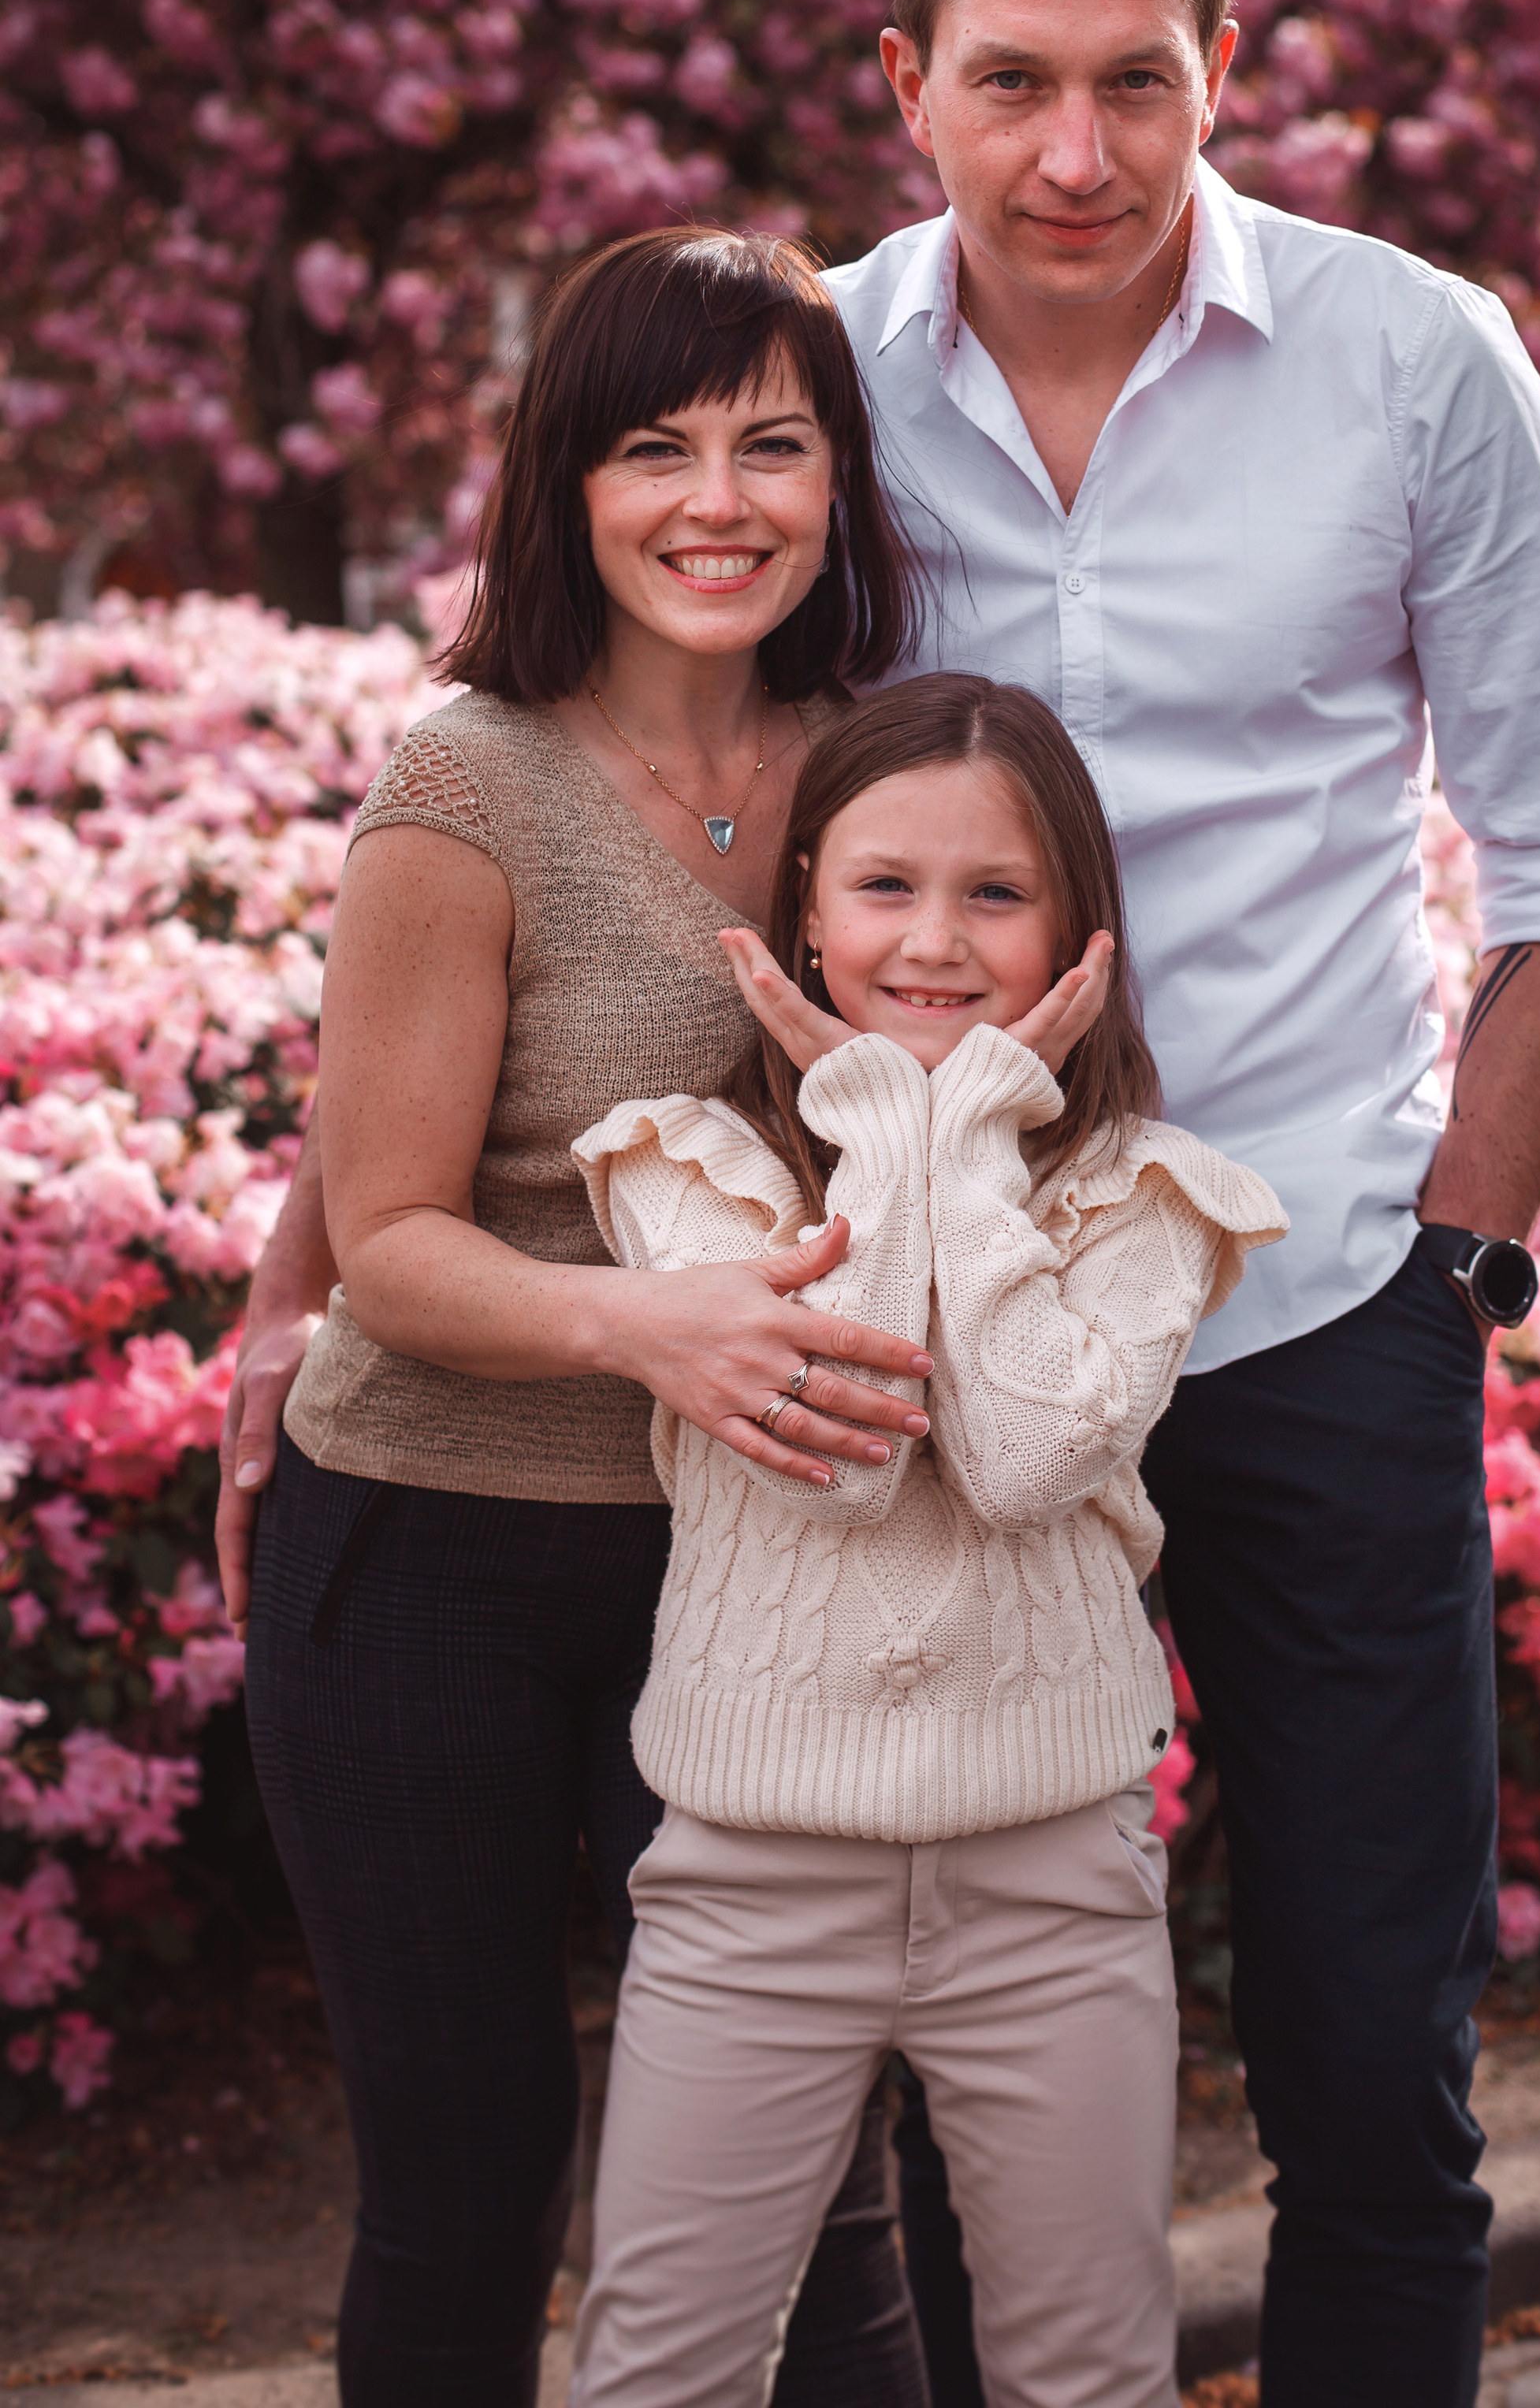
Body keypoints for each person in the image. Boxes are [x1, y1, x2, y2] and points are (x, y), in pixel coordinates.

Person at [822, 0, 1540, 2408]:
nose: (1077, 156)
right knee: (962, 2099)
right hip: (941, 1354)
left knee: (1369, 2074)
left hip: (1318, 1317)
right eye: (1012, 84)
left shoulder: (1417, 361)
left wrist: (1455, 1278)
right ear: (908, 85)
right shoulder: (804, 382)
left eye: (1140, 87)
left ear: (1229, 76)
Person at [232, 228, 942, 2408]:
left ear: (841, 485)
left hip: (749, 1571)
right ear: (567, 480)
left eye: (771, 445)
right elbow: (391, 1231)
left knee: (818, 2163)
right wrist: (653, 1334)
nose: (715, 499)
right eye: (653, 447)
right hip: (427, 1550)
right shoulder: (467, 786)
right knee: (473, 2174)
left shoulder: (880, 774)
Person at [564, 672, 1285, 2408]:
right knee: (660, 2375)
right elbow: (847, 1469)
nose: (935, 943)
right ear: (802, 908)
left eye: (994, 894)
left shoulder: (1150, 1194)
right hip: (749, 1876)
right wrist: (894, 1124)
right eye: (884, 887)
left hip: (1051, 1878)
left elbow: (1030, 1454)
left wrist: (939, 1131)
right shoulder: (689, 1173)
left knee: (1084, 2378)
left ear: (1074, 940)